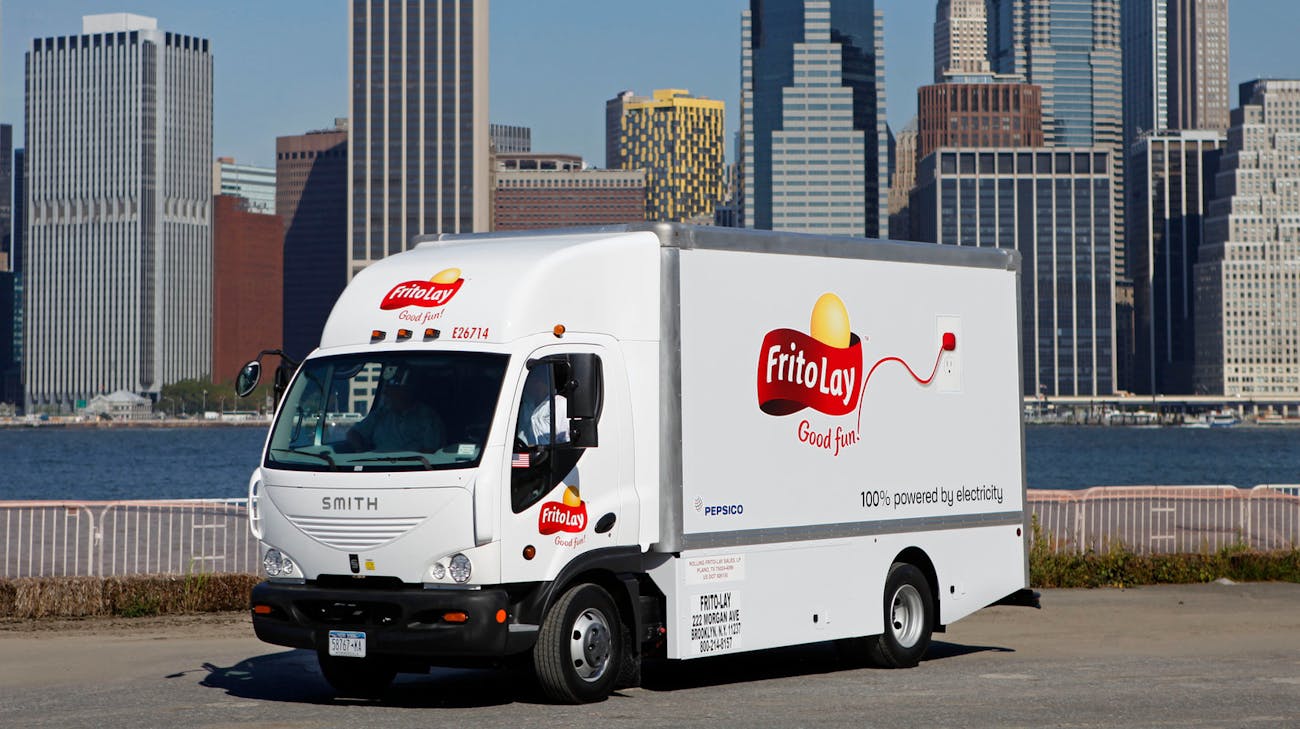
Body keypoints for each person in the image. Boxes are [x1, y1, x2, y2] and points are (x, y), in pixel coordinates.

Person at [348, 371, 444, 452]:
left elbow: (431, 451)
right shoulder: (381, 413)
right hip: (377, 464)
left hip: (412, 466)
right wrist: (360, 449)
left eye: (391, 389)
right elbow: (353, 433)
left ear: (405, 392)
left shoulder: (427, 417)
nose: (385, 394)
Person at [517, 367, 568, 447]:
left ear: (546, 382)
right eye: (531, 381)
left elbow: (567, 440)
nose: (533, 385)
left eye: (536, 381)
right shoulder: (524, 405)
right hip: (521, 453)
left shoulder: (560, 404)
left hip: (550, 453)